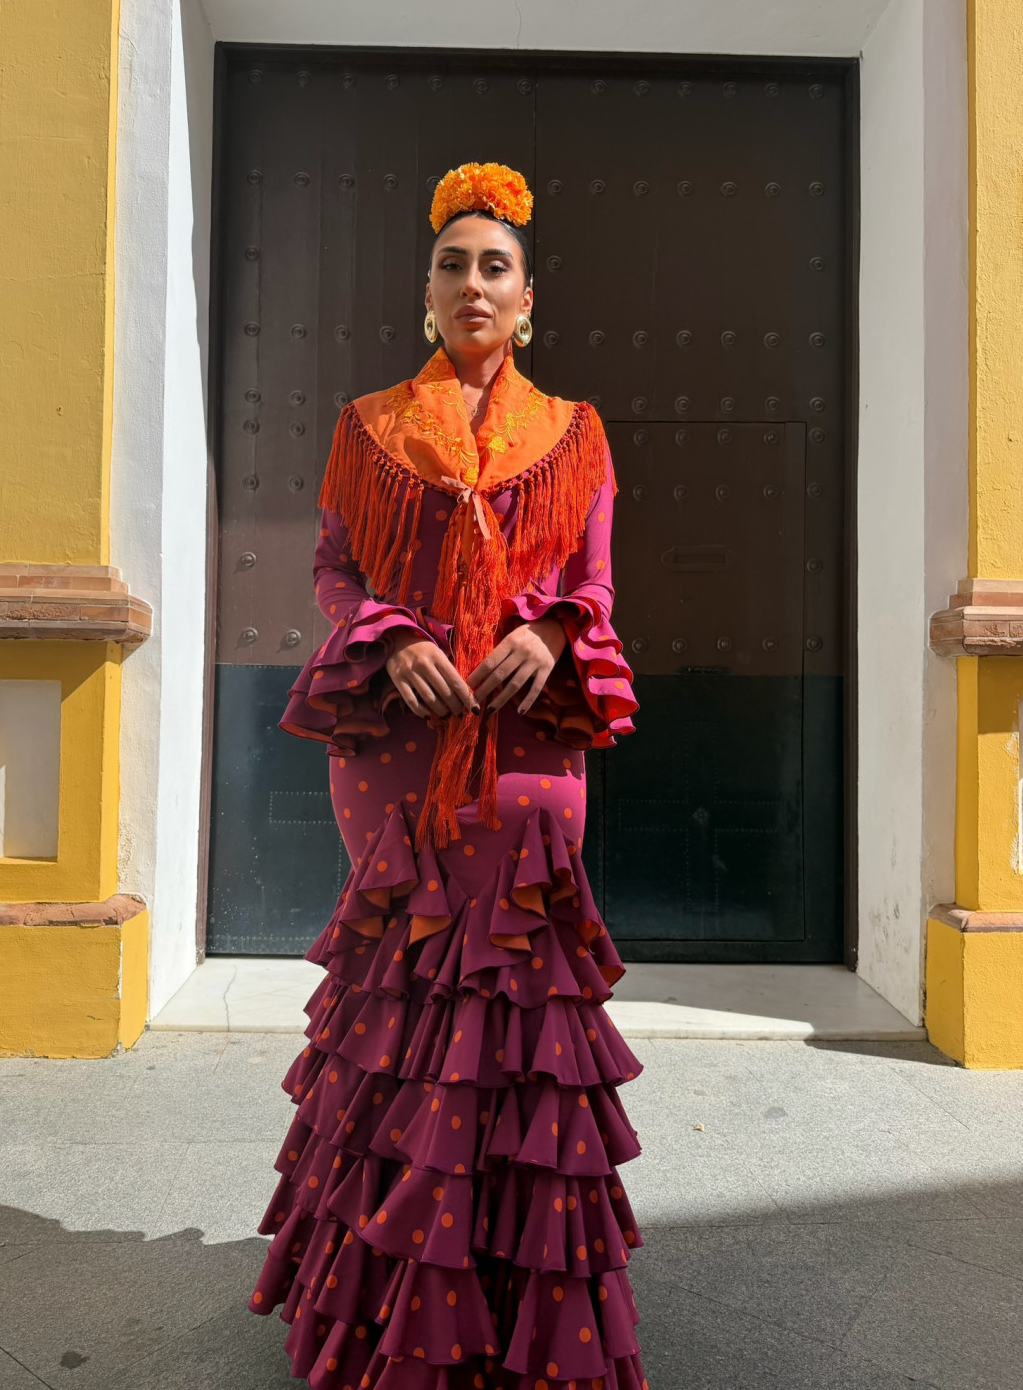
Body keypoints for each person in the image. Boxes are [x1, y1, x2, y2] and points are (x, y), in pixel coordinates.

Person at [248, 161, 649, 1390]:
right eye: (452, 264)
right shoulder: (368, 426)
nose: (472, 283)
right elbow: (335, 569)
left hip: (529, 739)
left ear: (528, 300)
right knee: (399, 993)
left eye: (495, 267)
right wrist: (391, 636)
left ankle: (520, 1303)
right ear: (425, 292)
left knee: (526, 1000)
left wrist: (553, 633)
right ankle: (382, 1297)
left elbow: (595, 583)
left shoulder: (575, 433)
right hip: (397, 740)